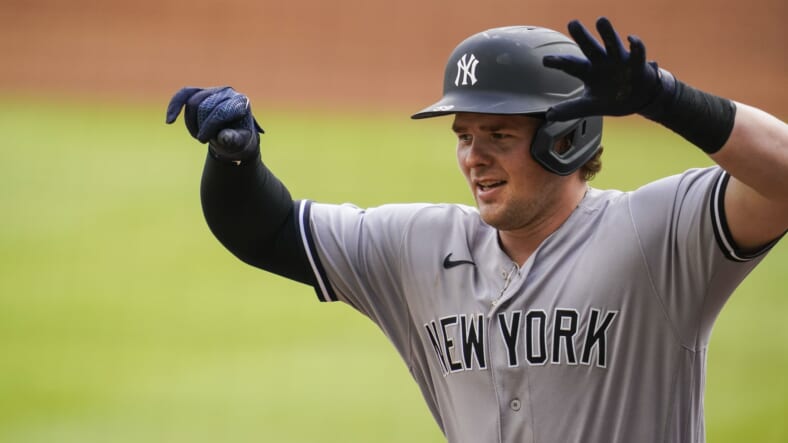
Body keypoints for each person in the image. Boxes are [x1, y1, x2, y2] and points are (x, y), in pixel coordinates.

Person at [166, 17, 787, 443]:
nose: (473, 157)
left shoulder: (658, 235)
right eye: (463, 135)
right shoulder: (418, 248)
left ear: (565, 139)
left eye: (498, 134)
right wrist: (234, 160)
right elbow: (266, 229)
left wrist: (668, 100)